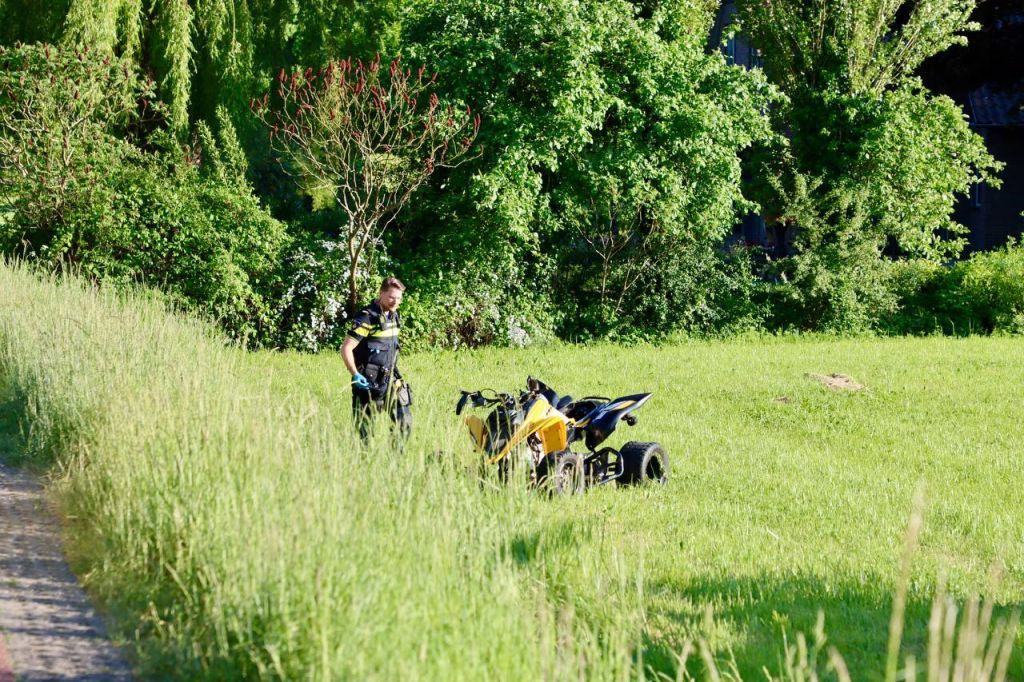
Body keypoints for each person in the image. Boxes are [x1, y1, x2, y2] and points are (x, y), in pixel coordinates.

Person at [341, 276, 412, 440]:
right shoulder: (366, 317)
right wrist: (354, 374)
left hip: (391, 382)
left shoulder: (393, 315)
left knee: (405, 423)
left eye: (399, 298)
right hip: (368, 384)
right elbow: (346, 348)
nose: (395, 301)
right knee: (365, 435)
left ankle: (395, 461)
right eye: (391, 297)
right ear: (381, 293)